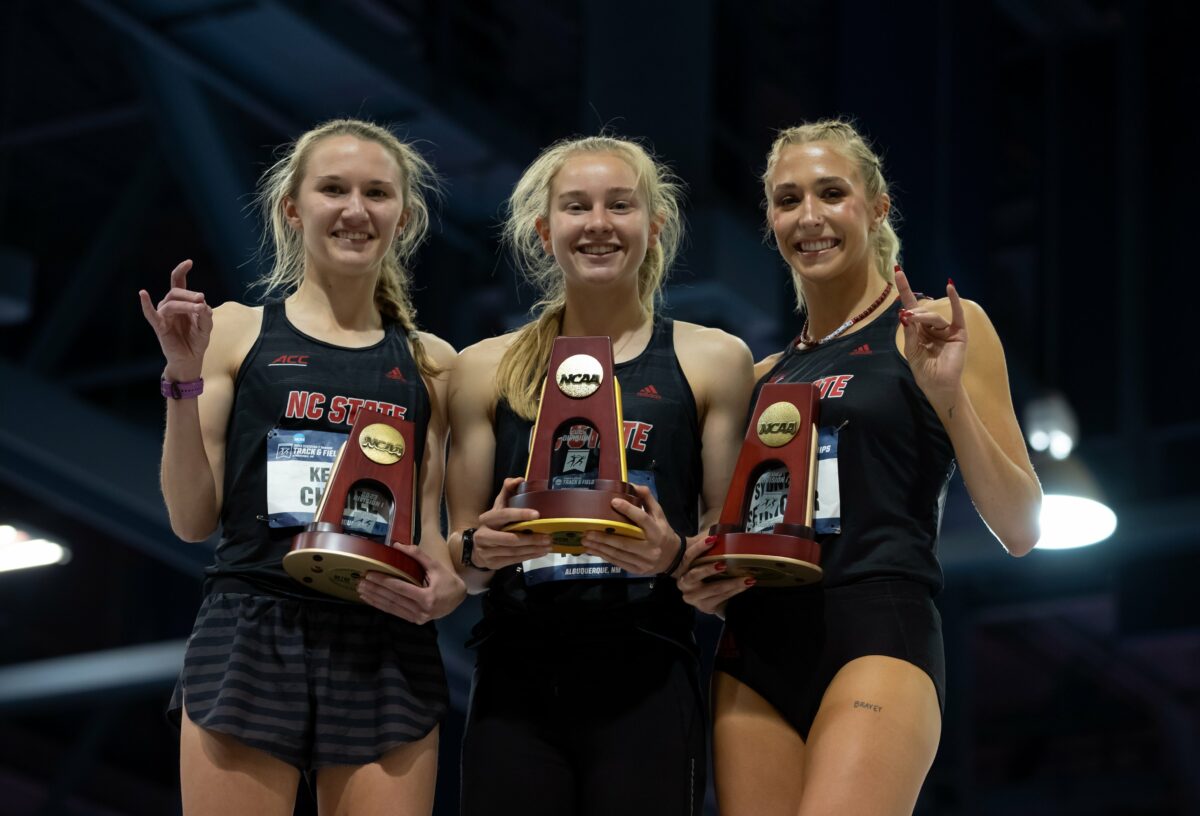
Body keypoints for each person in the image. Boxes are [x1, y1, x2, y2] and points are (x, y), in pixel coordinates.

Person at [678, 119, 1043, 815]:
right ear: (770, 220)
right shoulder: (757, 378)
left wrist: (948, 398)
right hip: (752, 651)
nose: (809, 217)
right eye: (788, 200)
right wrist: (698, 575)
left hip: (877, 627)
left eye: (831, 193)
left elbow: (1022, 528)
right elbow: (716, 538)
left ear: (876, 207)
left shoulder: (937, 330)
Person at [138, 118, 464, 815]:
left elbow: (432, 547)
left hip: (383, 641)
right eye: (333, 189)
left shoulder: (433, 363)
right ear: (294, 207)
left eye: (377, 193)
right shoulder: (236, 332)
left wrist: (448, 591)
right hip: (253, 628)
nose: (355, 209)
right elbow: (193, 519)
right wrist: (181, 379)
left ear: (402, 216)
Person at [447, 134, 754, 816]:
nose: (598, 224)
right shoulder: (483, 368)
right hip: (514, 677)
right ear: (544, 229)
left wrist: (672, 554)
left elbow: (729, 557)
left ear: (655, 224)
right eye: (576, 206)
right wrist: (478, 549)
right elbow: (457, 561)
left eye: (620, 205)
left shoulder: (713, 360)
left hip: (648, 672)